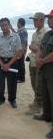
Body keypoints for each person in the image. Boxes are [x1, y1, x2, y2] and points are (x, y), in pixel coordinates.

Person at [0, 18, 22, 108]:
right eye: (2, 25)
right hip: (0, 62)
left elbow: (18, 52)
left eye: (6, 25)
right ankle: (1, 100)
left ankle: (12, 100)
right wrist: (1, 64)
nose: (4, 27)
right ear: (0, 26)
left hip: (12, 62)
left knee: (12, 83)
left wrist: (8, 64)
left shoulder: (16, 37)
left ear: (9, 25)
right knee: (0, 83)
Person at [33, 9, 53, 139]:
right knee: (46, 95)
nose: (49, 20)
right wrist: (39, 58)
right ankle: (46, 115)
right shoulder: (48, 34)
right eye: (49, 18)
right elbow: (40, 48)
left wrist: (43, 60)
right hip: (45, 71)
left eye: (51, 18)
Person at [26, 12, 47, 115]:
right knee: (34, 84)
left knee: (39, 85)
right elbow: (34, 46)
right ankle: (39, 102)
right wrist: (33, 47)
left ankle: (37, 105)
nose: (34, 22)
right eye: (33, 20)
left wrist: (34, 47)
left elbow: (42, 49)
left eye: (35, 20)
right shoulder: (35, 33)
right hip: (32, 61)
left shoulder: (46, 33)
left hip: (40, 63)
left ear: (42, 20)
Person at [17, 18, 28, 83]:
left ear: (20, 23)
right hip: (20, 50)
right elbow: (15, 34)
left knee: (20, 64)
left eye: (18, 22)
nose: (17, 24)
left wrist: (22, 52)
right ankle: (20, 77)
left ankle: (21, 78)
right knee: (20, 64)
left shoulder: (23, 31)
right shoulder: (20, 30)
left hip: (21, 50)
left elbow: (24, 42)